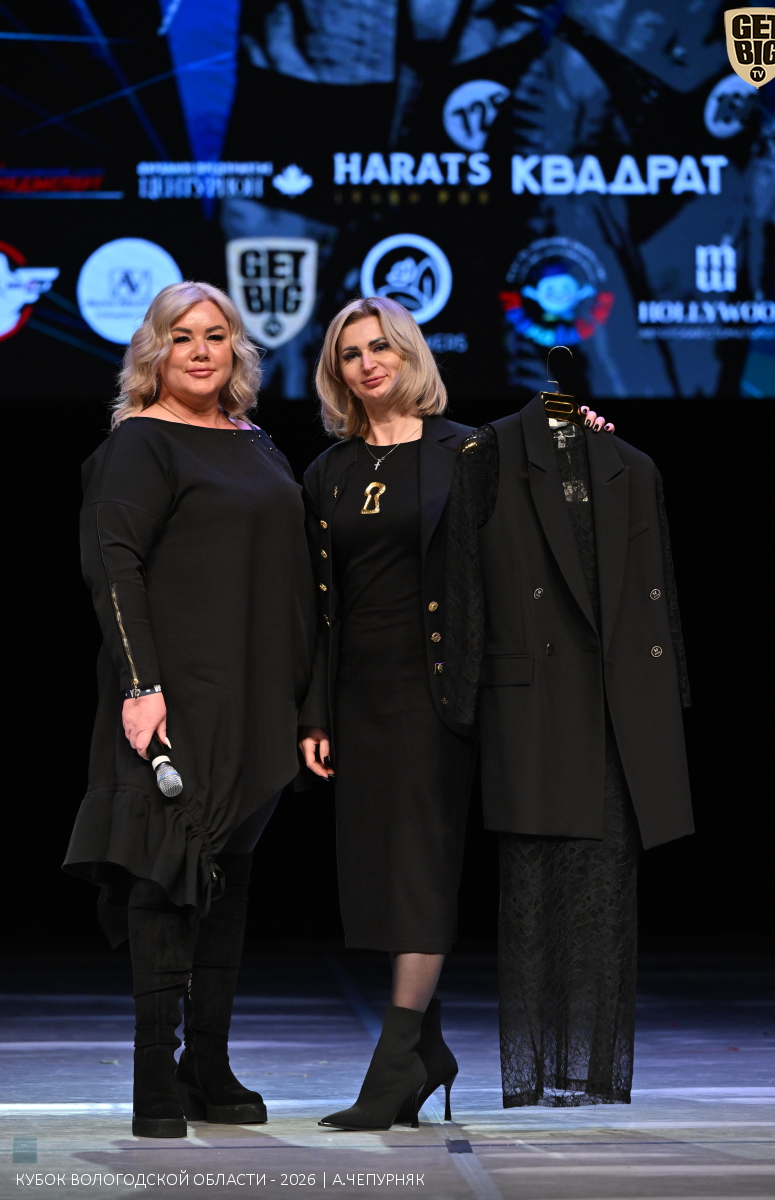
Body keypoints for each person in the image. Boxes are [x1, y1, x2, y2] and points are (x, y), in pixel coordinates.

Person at [63, 282, 316, 1139]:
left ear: (237, 349)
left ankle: (207, 1063)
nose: (201, 351)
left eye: (216, 335)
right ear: (155, 352)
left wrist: (304, 701)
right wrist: (143, 684)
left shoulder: (258, 442)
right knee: (166, 875)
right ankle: (154, 1076)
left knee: (227, 877)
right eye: (182, 337)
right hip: (175, 696)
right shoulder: (140, 443)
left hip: (256, 697)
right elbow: (113, 567)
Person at [444, 396, 693, 1108]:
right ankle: (532, 1072)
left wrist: (667, 692)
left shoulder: (632, 468)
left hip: (615, 698)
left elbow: (657, 592)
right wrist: (460, 697)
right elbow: (463, 582)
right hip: (531, 697)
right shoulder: (489, 457)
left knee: (606, 890)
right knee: (531, 888)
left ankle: (595, 1071)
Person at [298, 296, 476, 1130]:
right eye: (350, 354)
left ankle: (395, 1054)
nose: (367, 364)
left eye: (381, 348)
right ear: (336, 372)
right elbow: (314, 606)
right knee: (382, 876)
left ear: (409, 354)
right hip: (356, 696)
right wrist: (314, 712)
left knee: (420, 870)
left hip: (434, 693)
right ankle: (428, 1051)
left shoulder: (467, 452)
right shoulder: (326, 471)